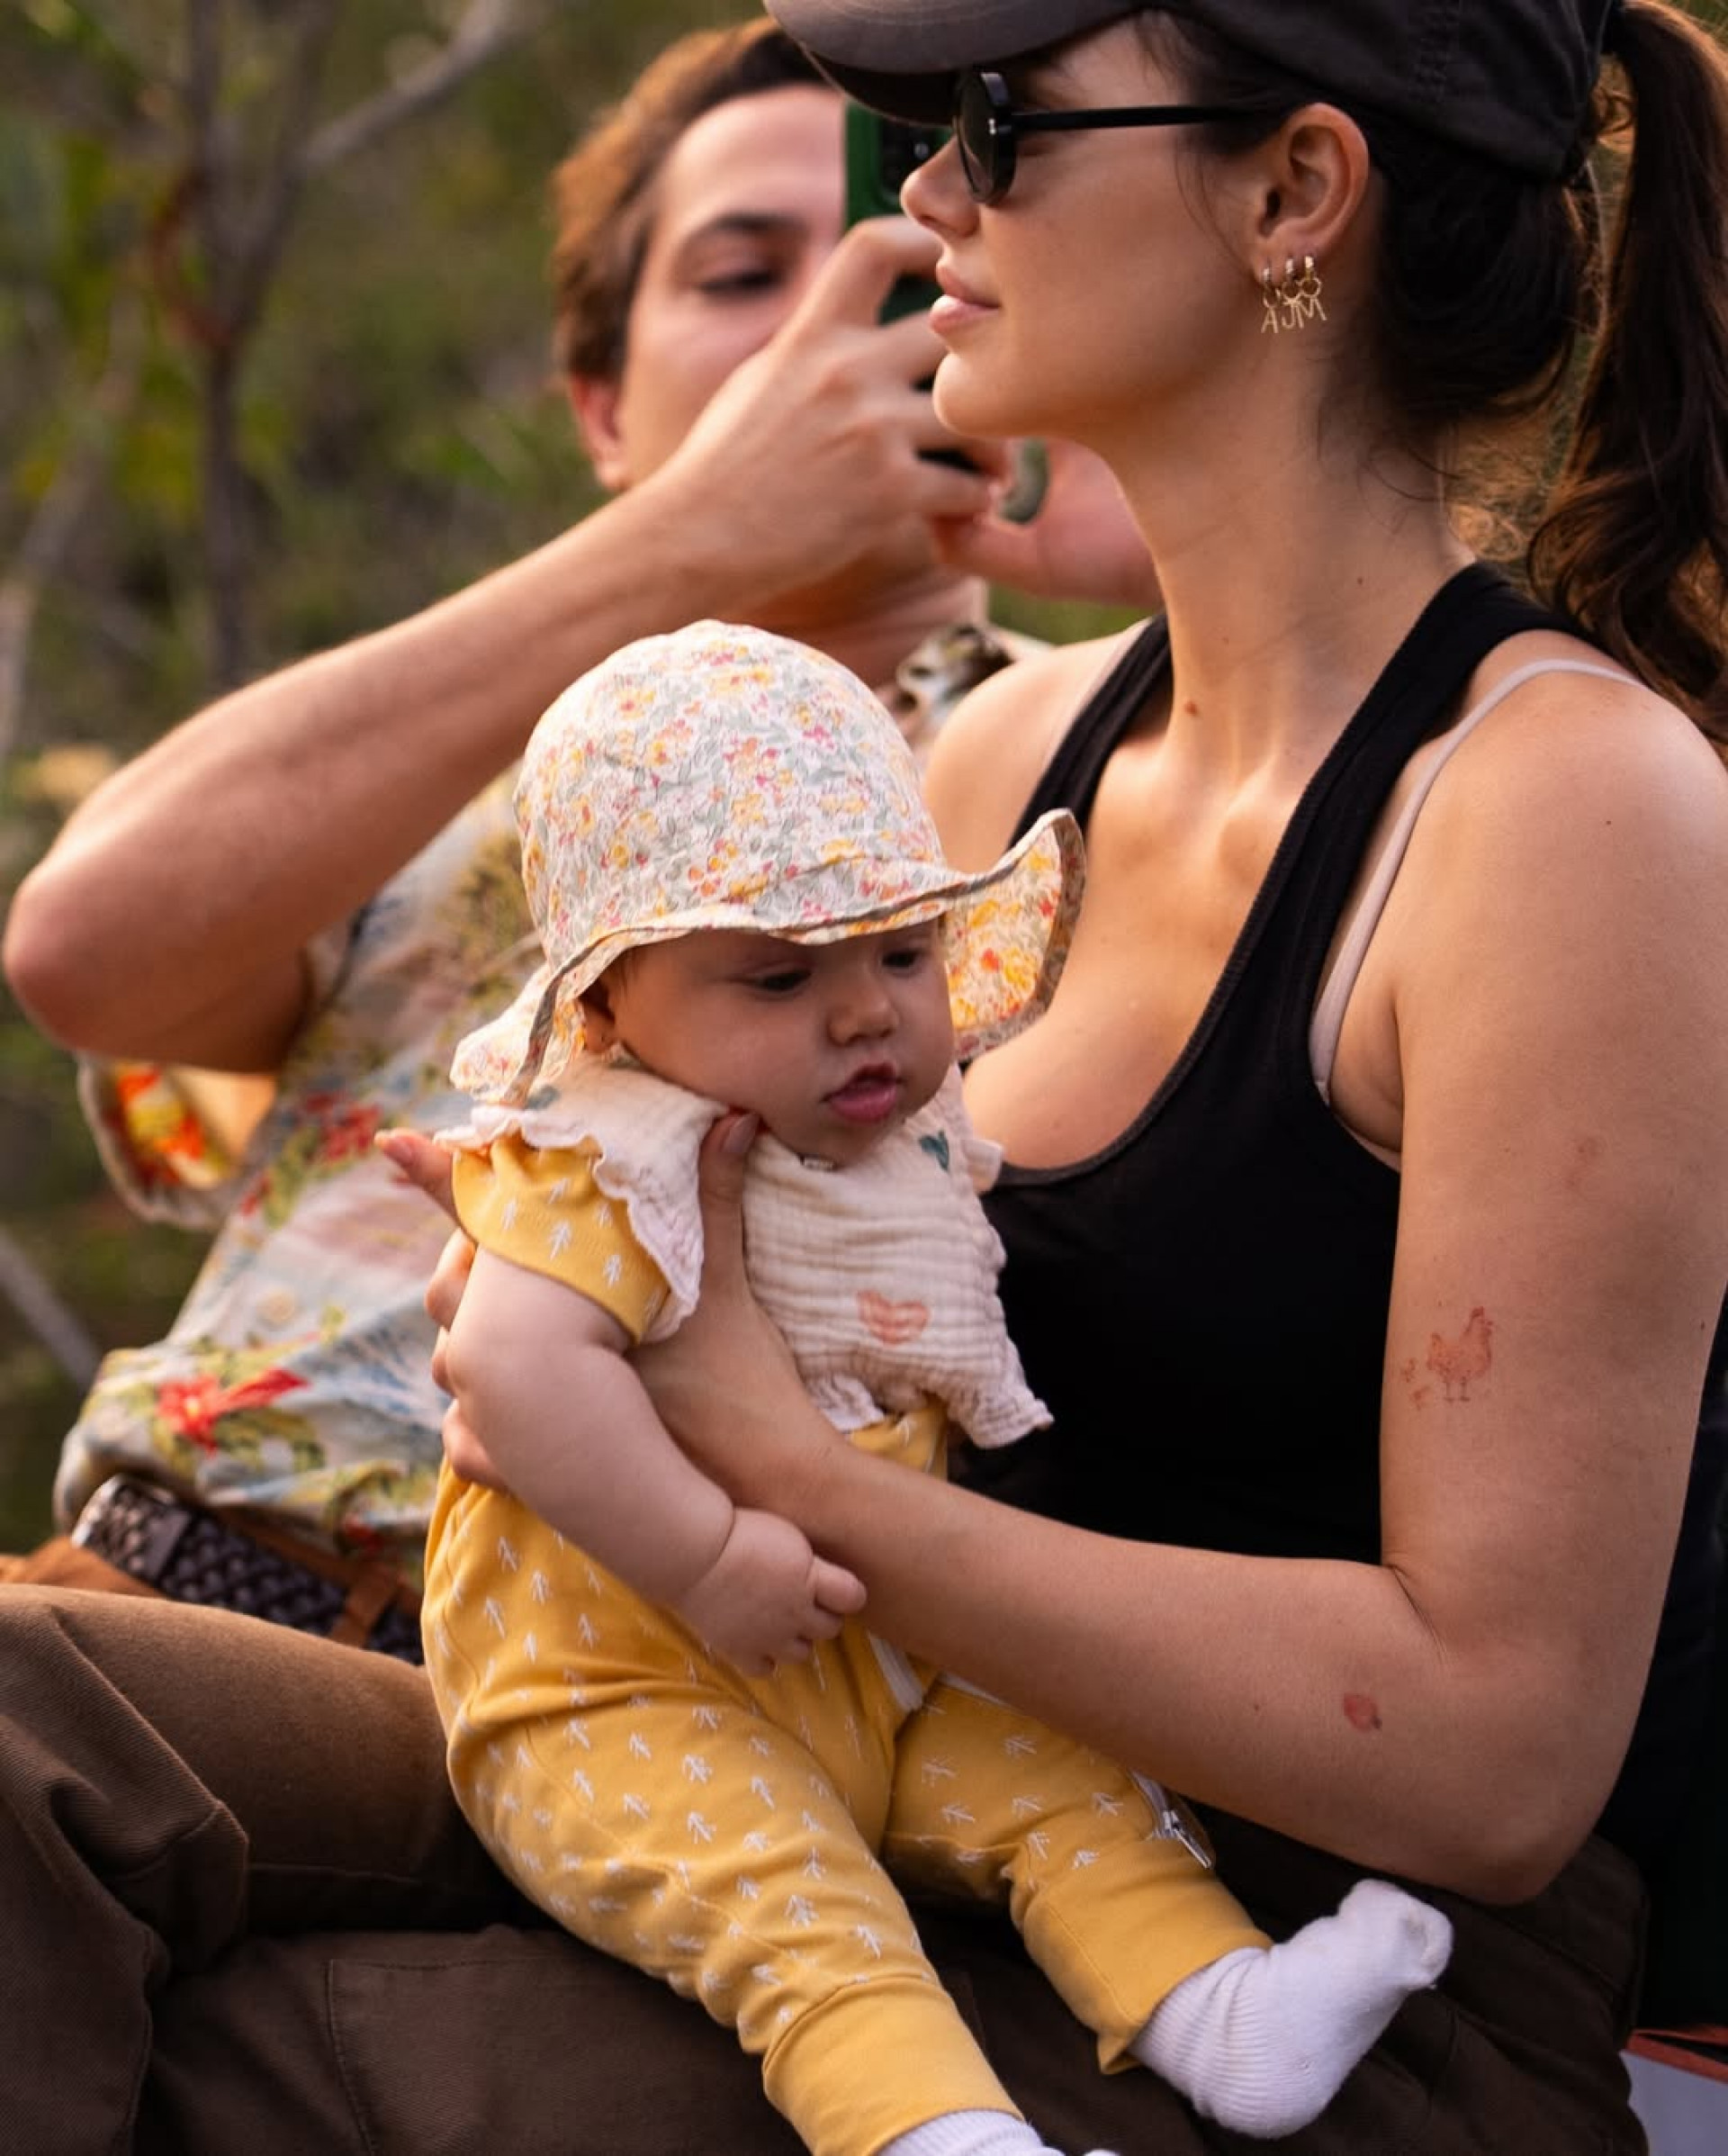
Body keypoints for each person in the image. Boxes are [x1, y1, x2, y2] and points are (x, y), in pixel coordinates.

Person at [438, 0, 1728, 2149]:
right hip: (851, 1786)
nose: (931, 192)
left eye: (1006, 123)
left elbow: (1499, 1762)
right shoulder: (993, 763)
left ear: (1294, 192)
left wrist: (802, 1495)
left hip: (1330, 1982)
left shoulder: (1570, 818)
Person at [0, 20, 1160, 2155]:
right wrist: (686, 551)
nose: (850, 327)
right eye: (742, 274)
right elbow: (87, 941)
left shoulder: (1039, 807)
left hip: (596, 1654)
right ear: (606, 409)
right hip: (145, 1579)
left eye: (905, 248)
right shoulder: (470, 772)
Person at [421, 618, 1451, 2156]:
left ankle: (1224, 2012)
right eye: (777, 976)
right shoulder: (601, 1158)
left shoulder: (891, 1141)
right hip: (613, 1688)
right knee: (800, 1911)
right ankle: (937, 2137)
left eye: (902, 953)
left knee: (1066, 1782)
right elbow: (509, 1363)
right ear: (610, 1010)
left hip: (868, 1669)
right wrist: (703, 1558)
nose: (862, 1014)